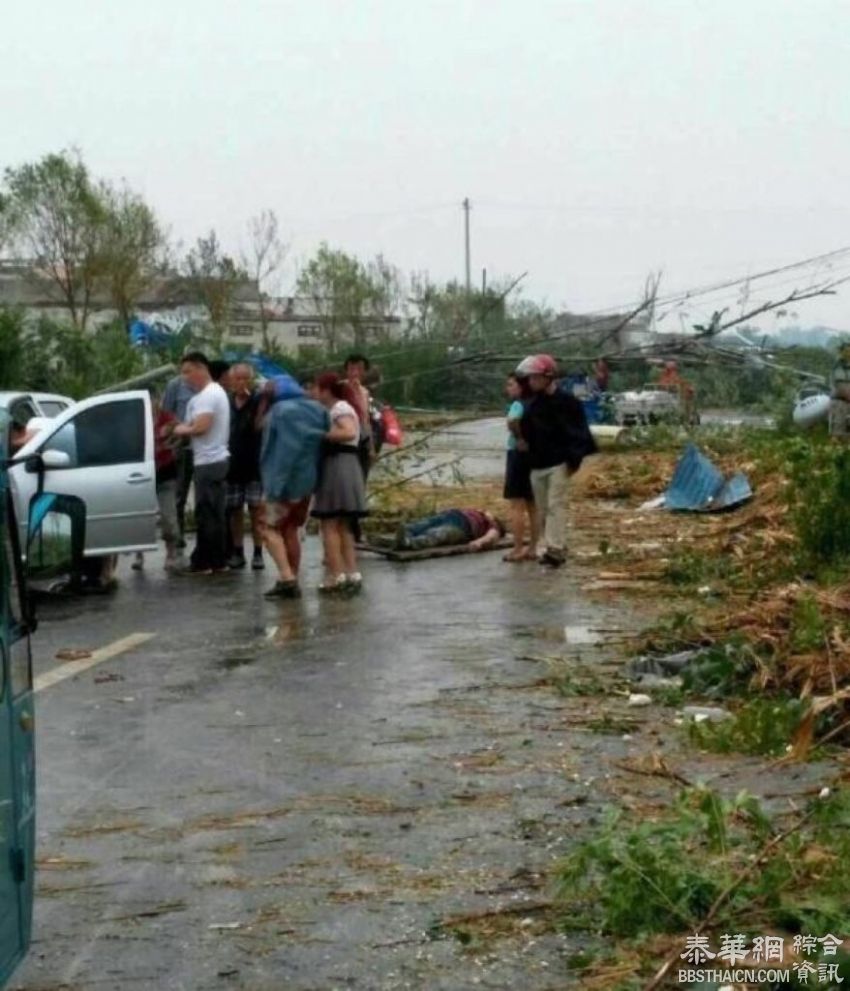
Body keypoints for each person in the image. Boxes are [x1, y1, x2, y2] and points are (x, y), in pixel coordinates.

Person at [517, 354, 597, 567]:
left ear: (548, 377)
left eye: (535, 378)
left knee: (555, 505)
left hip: (558, 463)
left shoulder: (568, 403)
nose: (531, 382)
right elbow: (526, 434)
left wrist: (573, 461)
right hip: (537, 463)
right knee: (543, 508)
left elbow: (579, 434)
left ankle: (555, 549)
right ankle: (554, 544)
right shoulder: (532, 404)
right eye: (530, 378)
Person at [259, 374, 330, 599]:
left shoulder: (279, 412)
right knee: (291, 529)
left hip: (281, 482)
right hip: (307, 481)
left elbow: (276, 451)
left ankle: (286, 578)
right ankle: (292, 576)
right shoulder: (319, 410)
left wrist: (273, 486)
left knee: (267, 528)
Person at [309, 371, 368, 594]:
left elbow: (349, 432)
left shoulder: (339, 409)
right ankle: (351, 572)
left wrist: (320, 434)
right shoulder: (341, 407)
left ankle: (336, 575)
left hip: (337, 465)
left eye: (315, 388)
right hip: (346, 466)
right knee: (343, 524)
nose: (312, 392)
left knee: (330, 523)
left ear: (325, 390)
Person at [173, 352, 231, 575]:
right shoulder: (208, 395)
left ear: (200, 369)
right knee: (213, 512)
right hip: (211, 460)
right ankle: (216, 560)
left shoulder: (209, 395)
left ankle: (206, 561)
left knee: (207, 513)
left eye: (188, 371)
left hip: (209, 461)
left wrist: (180, 429)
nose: (185, 377)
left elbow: (200, 427)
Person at [132, 392, 182, 572]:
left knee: (169, 516)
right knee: (140, 515)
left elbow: (179, 436)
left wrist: (170, 443)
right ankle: (139, 554)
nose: (151, 403)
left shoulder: (167, 418)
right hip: (141, 475)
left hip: (165, 472)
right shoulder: (136, 420)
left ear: (158, 400)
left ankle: (171, 552)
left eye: (153, 399)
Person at [225, 363, 264, 570]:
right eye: (237, 379)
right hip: (232, 465)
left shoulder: (258, 402)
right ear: (231, 381)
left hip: (254, 465)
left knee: (257, 510)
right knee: (235, 510)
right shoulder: (226, 402)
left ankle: (258, 552)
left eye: (245, 378)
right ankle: (238, 550)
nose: (241, 383)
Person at [502, 373, 538, 562]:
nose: (508, 389)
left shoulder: (518, 405)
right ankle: (533, 548)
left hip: (518, 455)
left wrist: (519, 439)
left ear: (521, 387)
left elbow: (512, 421)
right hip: (534, 456)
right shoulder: (537, 403)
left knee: (517, 505)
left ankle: (517, 549)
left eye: (511, 385)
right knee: (533, 505)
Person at [161, 370, 197, 546]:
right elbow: (166, 415)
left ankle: (203, 539)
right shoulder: (175, 385)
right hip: (182, 448)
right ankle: (178, 537)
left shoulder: (207, 387)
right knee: (179, 495)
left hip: (202, 448)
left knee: (204, 497)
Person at [396, 508, 505, 552]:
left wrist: (479, 542)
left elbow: (491, 536)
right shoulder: (481, 513)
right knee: (424, 524)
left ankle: (409, 543)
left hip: (463, 528)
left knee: (438, 533)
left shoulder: (493, 526)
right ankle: (406, 532)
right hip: (450, 515)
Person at [342, 354, 375, 480]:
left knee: (361, 479)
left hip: (362, 442)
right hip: (345, 444)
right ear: (346, 370)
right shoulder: (339, 389)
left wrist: (371, 448)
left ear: (365, 372)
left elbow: (366, 420)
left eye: (359, 369)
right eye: (352, 369)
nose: (355, 373)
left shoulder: (365, 392)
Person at [830, 344, 850, 438]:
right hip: (840, 399)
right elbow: (841, 386)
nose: (848, 353)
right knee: (838, 430)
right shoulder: (838, 366)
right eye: (846, 351)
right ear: (842, 352)